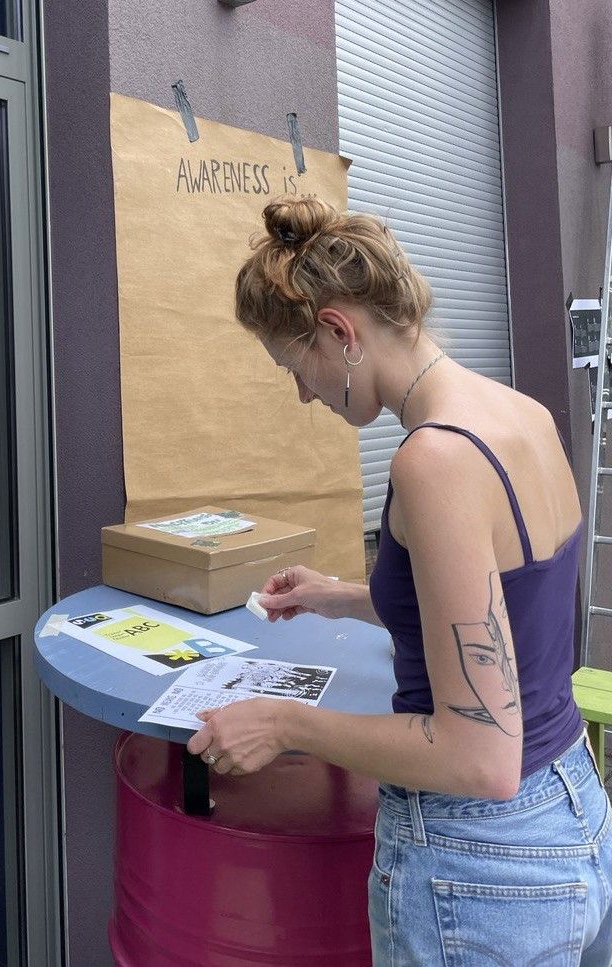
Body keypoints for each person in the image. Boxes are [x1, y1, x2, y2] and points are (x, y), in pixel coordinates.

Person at [187, 196, 612, 964]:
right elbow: (504, 607)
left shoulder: (434, 460)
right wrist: (342, 594)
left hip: (479, 869)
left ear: (340, 331)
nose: (304, 395)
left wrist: (281, 724)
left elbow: (476, 755)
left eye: (296, 367)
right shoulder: (523, 414)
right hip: (574, 810)